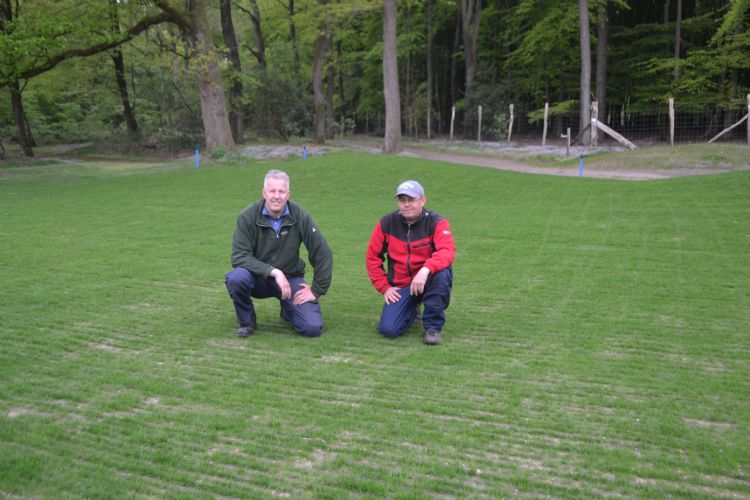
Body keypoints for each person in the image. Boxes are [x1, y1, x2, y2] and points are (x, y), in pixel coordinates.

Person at [225, 170, 333, 338]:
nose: (277, 196)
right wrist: (274, 272)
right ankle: (247, 322)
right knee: (236, 278)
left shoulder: (300, 215)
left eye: (281, 191)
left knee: (311, 328)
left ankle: (288, 309)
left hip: (290, 280)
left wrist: (317, 289)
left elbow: (322, 252)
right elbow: (239, 257)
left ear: (288, 194)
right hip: (257, 279)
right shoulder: (247, 216)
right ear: (264, 192)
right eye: (272, 191)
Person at [366, 180, 455, 345]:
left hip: (428, 279)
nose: (406, 205)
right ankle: (412, 309)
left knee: (442, 273)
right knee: (388, 330)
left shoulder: (437, 222)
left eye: (411, 200)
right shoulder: (386, 223)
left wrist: (426, 269)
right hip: (402, 284)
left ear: (423, 200)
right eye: (402, 200)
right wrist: (384, 287)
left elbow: (446, 252)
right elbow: (372, 258)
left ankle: (433, 328)